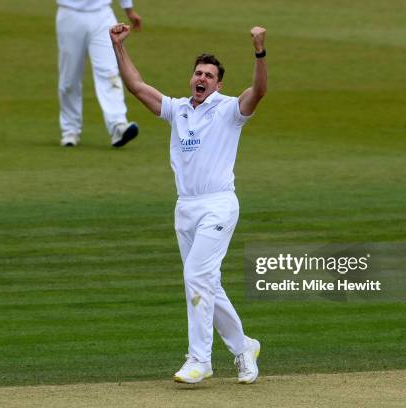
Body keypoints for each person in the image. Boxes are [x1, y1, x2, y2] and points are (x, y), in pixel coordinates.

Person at [110, 22, 268, 384]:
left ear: (218, 84)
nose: (202, 78)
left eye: (209, 75)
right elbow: (136, 87)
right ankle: (244, 346)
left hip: (218, 205)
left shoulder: (229, 110)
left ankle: (200, 359)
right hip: (185, 208)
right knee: (206, 283)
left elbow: (259, 91)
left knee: (196, 276)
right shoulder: (178, 109)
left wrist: (259, 52)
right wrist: (118, 46)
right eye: (198, 73)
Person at [56, 0, 142, 147]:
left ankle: (118, 125)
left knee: (109, 71)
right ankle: (70, 130)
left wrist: (128, 9)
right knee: (69, 78)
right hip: (69, 13)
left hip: (103, 15)